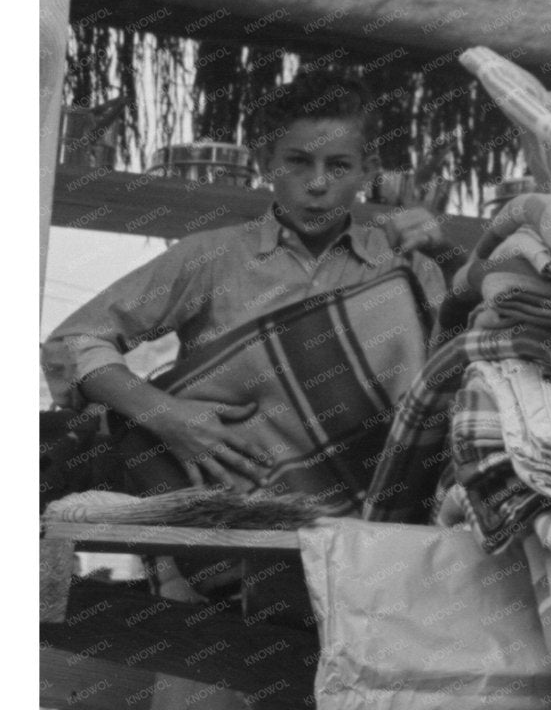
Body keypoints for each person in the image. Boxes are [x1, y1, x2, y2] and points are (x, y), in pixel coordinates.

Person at [43, 72, 450, 492]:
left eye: (339, 166)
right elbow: (72, 342)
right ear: (265, 164)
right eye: (298, 161)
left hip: (364, 511)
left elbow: (458, 378)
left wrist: (447, 258)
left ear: (369, 172)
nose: (317, 183)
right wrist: (166, 416)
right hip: (225, 509)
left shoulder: (406, 268)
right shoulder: (212, 256)